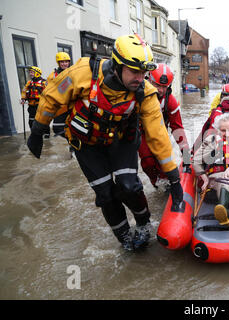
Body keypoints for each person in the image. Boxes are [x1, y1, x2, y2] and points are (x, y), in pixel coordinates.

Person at [26, 34, 185, 251]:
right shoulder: (81, 73)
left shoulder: (146, 93)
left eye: (144, 73)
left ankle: (143, 224)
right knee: (105, 194)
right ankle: (124, 238)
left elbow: (158, 136)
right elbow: (52, 98)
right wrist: (37, 130)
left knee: (129, 186)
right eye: (134, 72)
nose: (140, 78)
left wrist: (174, 178)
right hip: (87, 145)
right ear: (117, 66)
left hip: (122, 142)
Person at [139, 63, 190, 188]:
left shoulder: (170, 101)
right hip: (140, 133)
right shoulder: (137, 95)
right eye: (156, 85)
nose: (160, 90)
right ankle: (155, 182)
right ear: (148, 80)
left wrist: (187, 156)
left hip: (159, 133)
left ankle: (166, 183)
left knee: (163, 162)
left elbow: (178, 129)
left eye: (164, 87)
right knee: (148, 161)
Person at [20, 66, 49, 138]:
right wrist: (23, 99)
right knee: (31, 121)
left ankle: (46, 133)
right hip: (31, 105)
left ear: (37, 73)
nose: (30, 74)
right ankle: (34, 134)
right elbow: (24, 91)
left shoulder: (44, 82)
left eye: (32, 72)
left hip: (41, 105)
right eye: (30, 72)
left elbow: (48, 92)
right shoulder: (29, 83)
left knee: (43, 120)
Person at [47, 52, 72, 137]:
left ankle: (73, 144)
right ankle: (71, 139)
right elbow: (48, 90)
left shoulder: (73, 72)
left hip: (72, 104)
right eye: (62, 62)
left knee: (75, 126)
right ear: (58, 63)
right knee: (57, 128)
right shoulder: (53, 75)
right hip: (60, 106)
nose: (64, 64)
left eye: (66, 62)